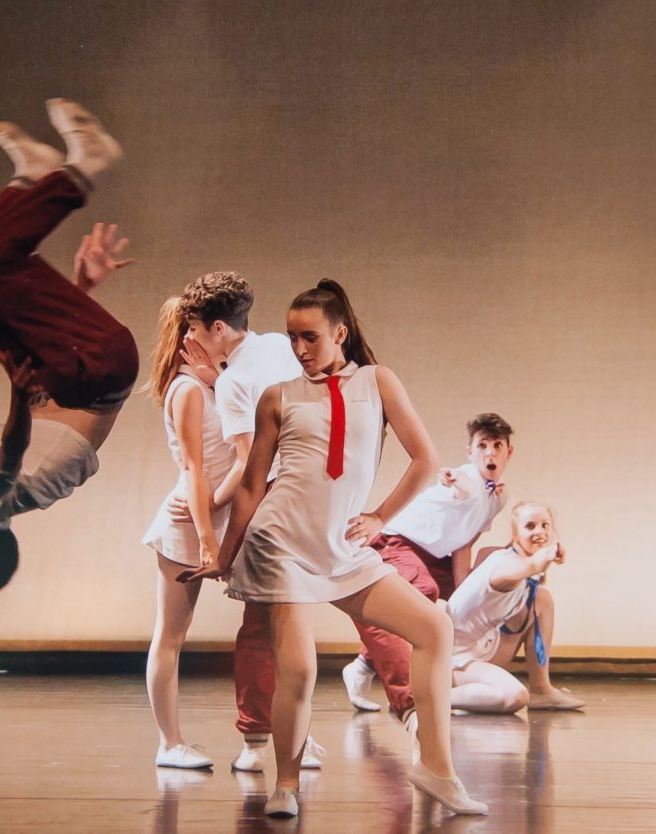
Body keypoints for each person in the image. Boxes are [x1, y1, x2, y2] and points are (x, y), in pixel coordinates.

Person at [179, 280, 488, 818]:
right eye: (293, 338)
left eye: (310, 338)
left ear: (339, 333)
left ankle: (437, 770)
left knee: (435, 628)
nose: (298, 349)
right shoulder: (279, 396)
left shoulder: (377, 382)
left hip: (342, 547)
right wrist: (223, 554)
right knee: (299, 668)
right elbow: (253, 485)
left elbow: (423, 459)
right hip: (282, 543)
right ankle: (287, 784)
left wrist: (379, 518)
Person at [0, 99, 138, 597]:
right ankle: (83, 167)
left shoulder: (18, 497)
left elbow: (54, 399)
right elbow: (13, 447)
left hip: (88, 369)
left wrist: (79, 292)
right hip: (96, 371)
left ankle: (30, 176)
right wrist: (17, 398)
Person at [172, 273, 326, 772]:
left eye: (194, 327)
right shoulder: (282, 346)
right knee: (287, 620)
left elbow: (246, 464)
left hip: (278, 503)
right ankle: (278, 735)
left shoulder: (235, 382)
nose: (188, 338)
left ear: (217, 327)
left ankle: (260, 739)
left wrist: (209, 512)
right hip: (316, 493)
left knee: (264, 623)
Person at [342, 414, 514, 725]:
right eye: (482, 445)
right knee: (423, 593)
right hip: (396, 542)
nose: (489, 453)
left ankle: (365, 663)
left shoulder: (498, 499)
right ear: (470, 452)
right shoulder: (470, 480)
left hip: (435, 556)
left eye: (497, 445)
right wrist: (450, 478)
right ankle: (391, 687)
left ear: (508, 452)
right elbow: (460, 484)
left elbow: (464, 544)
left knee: (477, 589)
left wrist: (464, 592)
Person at [141, 297, 235, 769]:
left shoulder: (209, 386)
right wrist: (206, 538)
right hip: (191, 520)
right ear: (187, 338)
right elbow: (196, 470)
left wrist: (217, 377)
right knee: (172, 634)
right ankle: (170, 743)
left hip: (223, 515)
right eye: (206, 330)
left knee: (270, 627)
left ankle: (283, 732)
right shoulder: (187, 391)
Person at [447, 502, 585, 712]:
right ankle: (425, 697)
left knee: (541, 599)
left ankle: (541, 690)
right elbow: (526, 567)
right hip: (453, 661)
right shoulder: (505, 564)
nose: (539, 531)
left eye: (545, 525)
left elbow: (531, 570)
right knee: (515, 696)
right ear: (515, 533)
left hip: (482, 648)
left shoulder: (525, 570)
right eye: (530, 526)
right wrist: (547, 555)